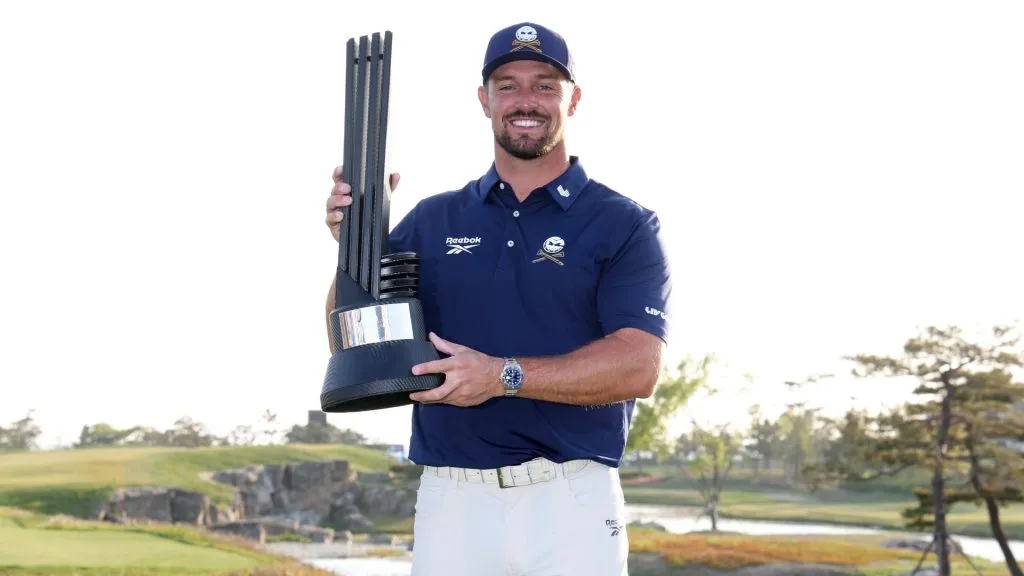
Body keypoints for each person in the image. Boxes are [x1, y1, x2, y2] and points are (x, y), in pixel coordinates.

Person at [323, 21, 672, 576]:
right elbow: (361, 345)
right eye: (507, 85)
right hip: (452, 500)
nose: (525, 101)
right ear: (484, 100)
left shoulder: (623, 224)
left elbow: (639, 366)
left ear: (572, 100)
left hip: (572, 501)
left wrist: (502, 375)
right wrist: (356, 252)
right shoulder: (433, 220)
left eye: (544, 85)